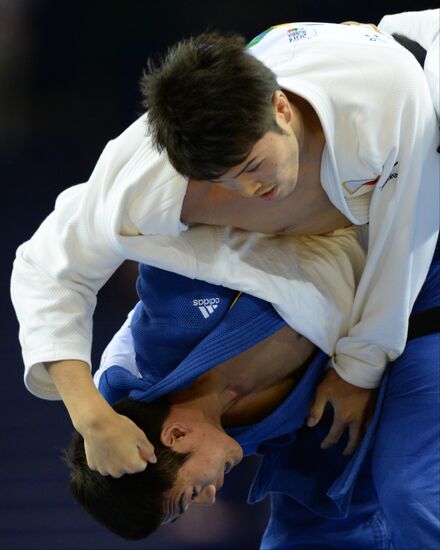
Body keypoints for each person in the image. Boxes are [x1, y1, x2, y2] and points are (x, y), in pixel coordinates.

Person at [10, 10, 439, 478]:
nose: (250, 189)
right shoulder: (153, 168)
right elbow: (45, 265)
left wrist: (359, 369)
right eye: (226, 180)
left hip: (423, 77)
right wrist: (89, 415)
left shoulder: (384, 101)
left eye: (254, 164)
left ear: (281, 108)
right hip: (326, 241)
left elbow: (405, 242)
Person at [66, 260, 440, 547]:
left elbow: (48, 272)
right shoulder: (224, 432)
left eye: (192, 494)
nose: (211, 496)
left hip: (416, 282)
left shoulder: (169, 319)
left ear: (177, 435)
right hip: (375, 368)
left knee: (412, 493)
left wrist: (359, 362)